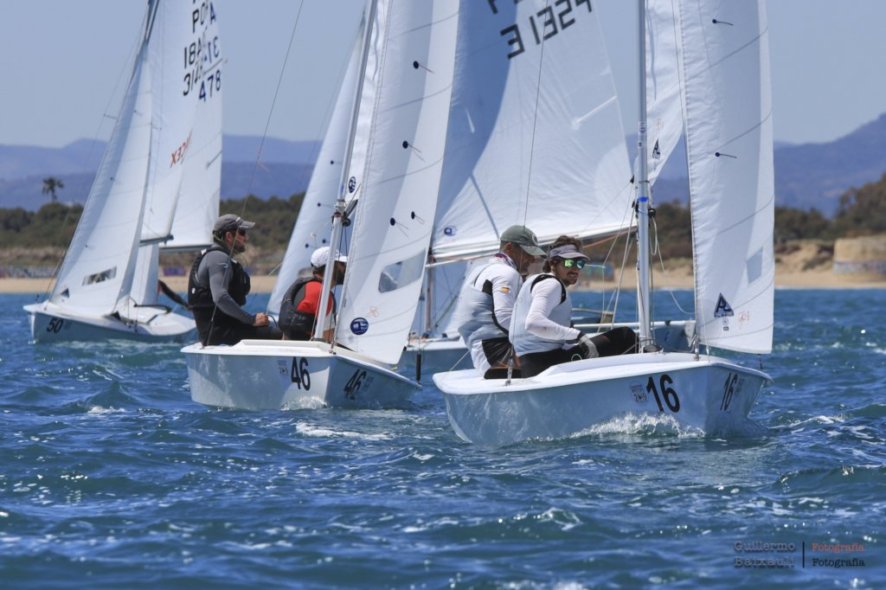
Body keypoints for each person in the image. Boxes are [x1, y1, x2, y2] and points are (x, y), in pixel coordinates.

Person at [510, 235, 638, 378]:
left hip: (529, 365)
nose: (575, 269)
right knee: (624, 336)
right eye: (569, 263)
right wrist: (578, 335)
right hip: (547, 363)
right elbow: (533, 323)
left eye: (580, 263)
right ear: (553, 263)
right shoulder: (552, 284)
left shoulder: (533, 280)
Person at [450, 224, 545, 378]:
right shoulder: (506, 273)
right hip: (498, 355)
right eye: (528, 253)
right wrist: (546, 334)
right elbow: (505, 318)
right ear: (509, 248)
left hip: (483, 353)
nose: (532, 258)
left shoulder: (480, 269)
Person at [188, 214, 281, 345]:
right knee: (281, 334)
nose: (246, 238)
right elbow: (220, 297)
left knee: (272, 327)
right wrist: (251, 320)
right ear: (229, 236)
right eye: (242, 233)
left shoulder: (216, 256)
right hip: (220, 335)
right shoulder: (218, 258)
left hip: (226, 329)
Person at [278, 246, 347, 341]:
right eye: (342, 264)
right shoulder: (321, 293)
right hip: (305, 348)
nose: (345, 268)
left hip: (291, 345)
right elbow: (328, 337)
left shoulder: (309, 286)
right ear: (331, 266)